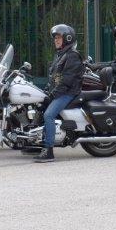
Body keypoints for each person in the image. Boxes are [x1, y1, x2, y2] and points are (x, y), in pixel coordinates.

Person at [34, 24, 84, 163]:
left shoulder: (72, 56)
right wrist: (46, 92)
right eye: (55, 38)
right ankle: (36, 144)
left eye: (59, 37)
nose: (56, 40)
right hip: (60, 91)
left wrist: (52, 95)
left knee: (49, 115)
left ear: (67, 38)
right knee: (39, 109)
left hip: (68, 93)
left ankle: (49, 150)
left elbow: (66, 81)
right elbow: (54, 78)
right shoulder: (61, 55)